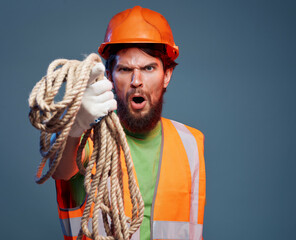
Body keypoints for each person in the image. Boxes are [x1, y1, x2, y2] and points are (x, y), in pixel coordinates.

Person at [52, 6, 206, 240]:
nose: (137, 81)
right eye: (125, 69)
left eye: (148, 68)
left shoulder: (191, 142)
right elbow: (59, 167)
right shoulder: (87, 140)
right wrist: (73, 124)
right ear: (109, 77)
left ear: (166, 76)